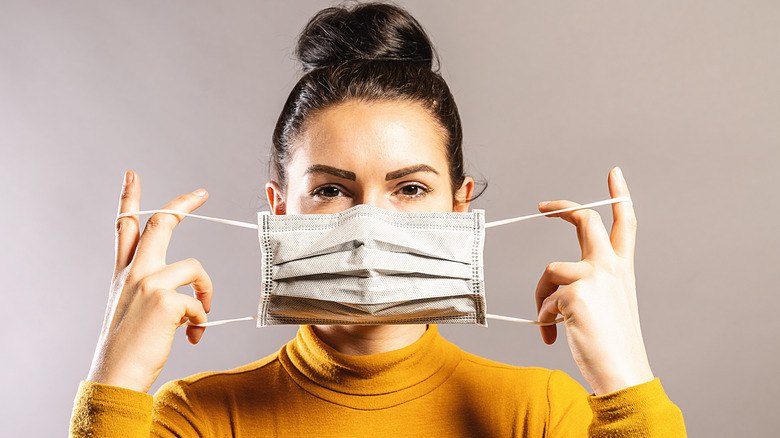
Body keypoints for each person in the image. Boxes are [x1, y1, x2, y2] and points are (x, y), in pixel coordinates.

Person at [70, 3, 686, 436]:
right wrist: (114, 377)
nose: (370, 225)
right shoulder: (198, 417)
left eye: (410, 187)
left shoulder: (542, 412)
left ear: (459, 205)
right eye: (333, 190)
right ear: (280, 209)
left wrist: (626, 378)